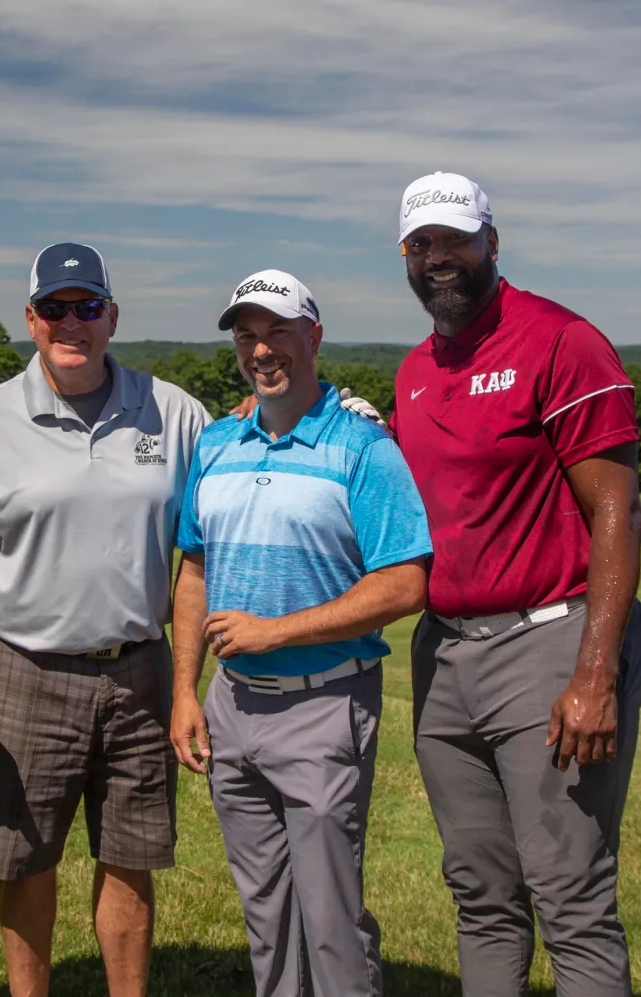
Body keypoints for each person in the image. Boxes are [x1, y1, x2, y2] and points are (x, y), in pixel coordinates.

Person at [0, 242, 212, 997]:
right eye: (54, 308)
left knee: (132, 859)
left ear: (113, 316)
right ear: (31, 318)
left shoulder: (175, 412)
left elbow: (208, 541)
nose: (70, 322)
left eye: (87, 307)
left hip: (139, 668)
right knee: (24, 861)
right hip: (20, 670)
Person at [390, 172, 641, 997]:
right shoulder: (414, 370)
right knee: (481, 896)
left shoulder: (561, 342)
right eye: (421, 244)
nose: (439, 258)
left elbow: (618, 512)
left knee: (571, 898)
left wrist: (594, 674)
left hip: (549, 641)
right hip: (444, 656)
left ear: (493, 243)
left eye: (456, 240)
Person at [171, 271, 433, 997]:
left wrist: (276, 633)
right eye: (247, 335)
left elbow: (403, 583)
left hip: (324, 705)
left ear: (314, 336)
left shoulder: (362, 447)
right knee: (267, 912)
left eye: (278, 331)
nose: (262, 350)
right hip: (231, 708)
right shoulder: (217, 443)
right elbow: (194, 570)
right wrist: (185, 692)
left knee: (331, 918)